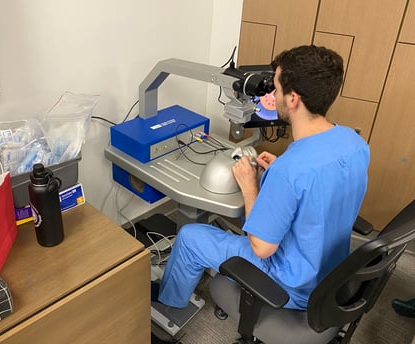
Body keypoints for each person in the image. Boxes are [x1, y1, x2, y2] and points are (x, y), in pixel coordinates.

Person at [156, 45, 370, 310]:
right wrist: (282, 172)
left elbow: (261, 247)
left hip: (291, 284)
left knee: (190, 236)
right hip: (331, 271)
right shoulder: (354, 142)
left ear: (293, 100)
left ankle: (168, 307)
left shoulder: (290, 171)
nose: (273, 94)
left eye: (277, 89)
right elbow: (322, 190)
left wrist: (250, 185)